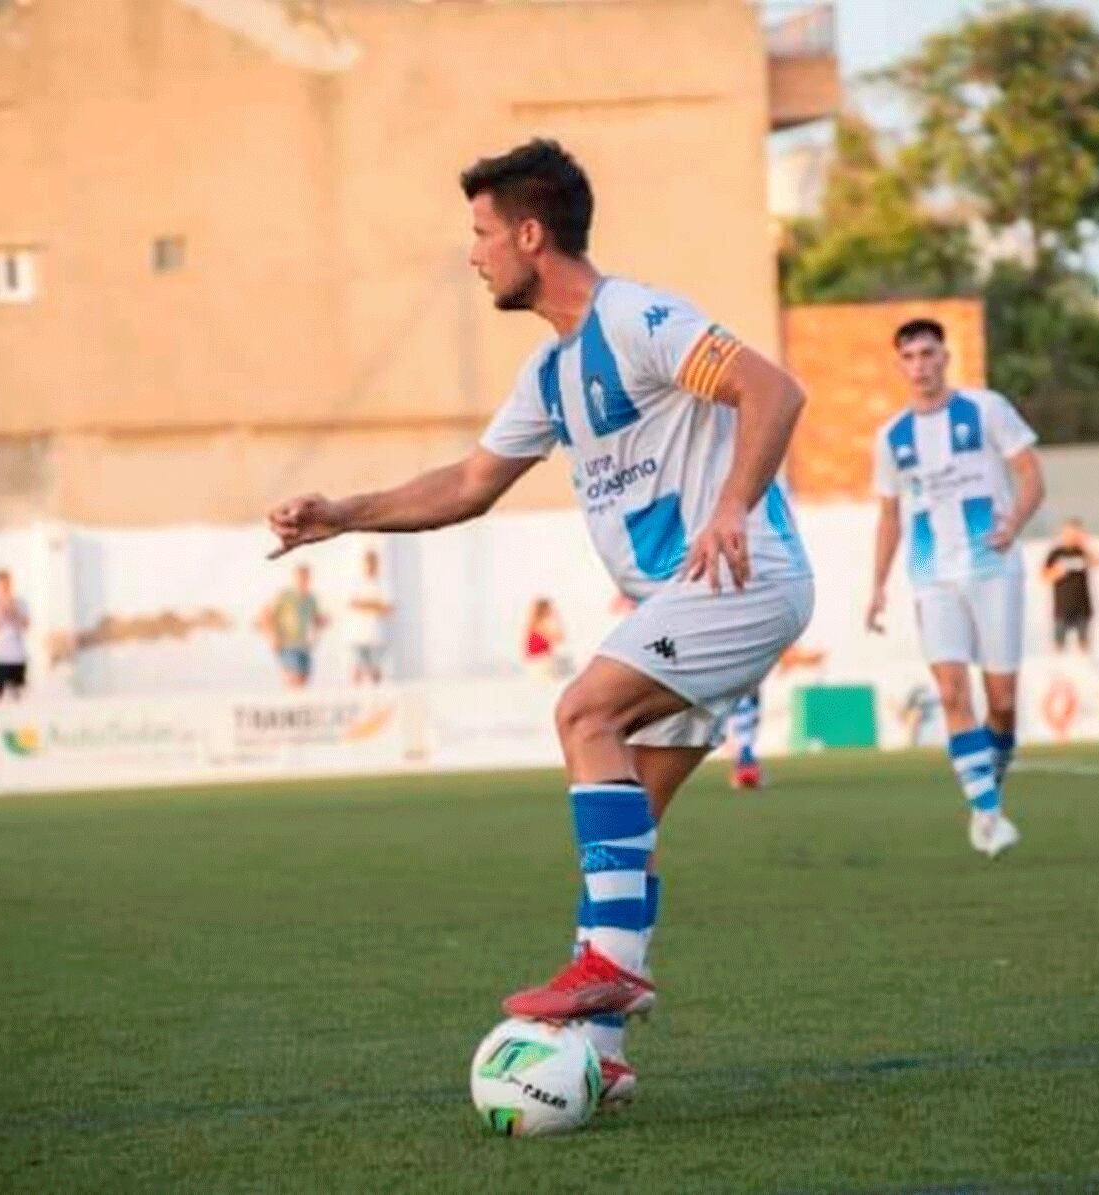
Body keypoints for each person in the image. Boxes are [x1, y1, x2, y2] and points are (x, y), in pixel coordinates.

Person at [265, 139, 812, 1107]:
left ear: (530, 233)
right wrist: (341, 513)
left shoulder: (638, 317)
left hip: (740, 576)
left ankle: (604, 974)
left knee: (582, 714)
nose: (472, 256)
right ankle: (602, 1050)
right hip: (683, 600)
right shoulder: (552, 374)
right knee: (626, 828)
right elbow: (469, 483)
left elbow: (773, 389)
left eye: (480, 234)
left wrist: (732, 503)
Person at [866, 318, 1045, 860]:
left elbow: (1032, 474)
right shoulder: (891, 436)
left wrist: (1013, 523)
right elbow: (890, 515)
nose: (919, 365)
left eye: (927, 353)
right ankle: (987, 812)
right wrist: (876, 587)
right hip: (931, 573)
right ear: (899, 365)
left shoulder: (986, 408)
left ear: (945, 356)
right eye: (909, 357)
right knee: (950, 693)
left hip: (992, 567)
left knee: (1003, 704)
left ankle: (991, 784)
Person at [1041, 518, 1099, 654]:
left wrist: (1086, 544)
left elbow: (1098, 563)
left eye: (1076, 533)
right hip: (1062, 607)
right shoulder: (1056, 553)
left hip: (1083, 606)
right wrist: (1056, 573)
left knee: (1084, 643)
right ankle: (1058, 669)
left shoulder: (1083, 551)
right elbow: (1043, 576)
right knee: (1059, 644)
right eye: (1069, 533)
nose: (1072, 536)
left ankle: (1085, 666)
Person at [262, 564, 326, 688]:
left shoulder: (311, 598)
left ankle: (298, 704)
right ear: (294, 578)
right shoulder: (285, 596)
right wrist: (271, 637)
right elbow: (266, 614)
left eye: (306, 577)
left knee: (303, 680)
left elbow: (316, 619)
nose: (303, 580)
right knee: (293, 679)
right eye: (300, 577)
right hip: (287, 644)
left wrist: (317, 635)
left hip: (304, 645)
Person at [0, 569, 31, 701]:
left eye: (7, 584)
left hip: (17, 656)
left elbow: (26, 626)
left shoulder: (20, 603)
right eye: (1, 585)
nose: (4, 587)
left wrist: (13, 611)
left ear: (11, 584)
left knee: (18, 696)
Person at [348, 548, 394, 684]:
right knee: (357, 669)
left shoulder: (383, 583)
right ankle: (356, 701)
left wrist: (366, 605)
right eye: (368, 563)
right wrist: (375, 605)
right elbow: (353, 604)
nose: (370, 566)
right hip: (358, 635)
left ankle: (376, 701)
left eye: (373, 563)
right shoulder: (356, 582)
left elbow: (388, 608)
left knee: (376, 671)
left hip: (377, 635)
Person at [522, 596, 570, 681]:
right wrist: (557, 618)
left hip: (538, 663)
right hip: (541, 664)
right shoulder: (541, 625)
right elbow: (560, 637)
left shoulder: (533, 625)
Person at [726, 690, 763, 791]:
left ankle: (746, 776)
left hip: (745, 717)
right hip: (744, 717)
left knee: (744, 744)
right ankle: (748, 776)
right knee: (745, 744)